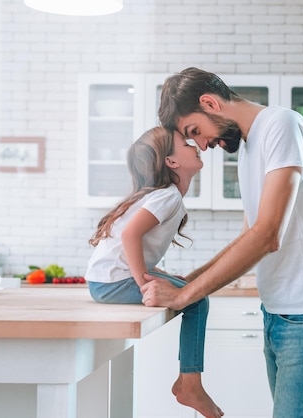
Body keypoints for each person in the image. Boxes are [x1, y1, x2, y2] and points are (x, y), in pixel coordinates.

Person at [142, 67, 303, 417]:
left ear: (210, 103)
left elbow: (268, 235)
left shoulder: (281, 126)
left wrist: (183, 295)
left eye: (196, 131)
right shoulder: (249, 147)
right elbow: (249, 235)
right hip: (280, 313)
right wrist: (187, 280)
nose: (204, 145)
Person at [85, 126, 223, 418]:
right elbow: (130, 236)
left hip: (105, 281)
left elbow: (134, 241)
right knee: (196, 299)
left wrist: (154, 273)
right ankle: (190, 384)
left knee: (190, 292)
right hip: (115, 282)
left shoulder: (163, 195)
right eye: (184, 143)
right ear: (171, 162)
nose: (193, 145)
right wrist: (143, 282)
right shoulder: (168, 196)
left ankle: (189, 381)